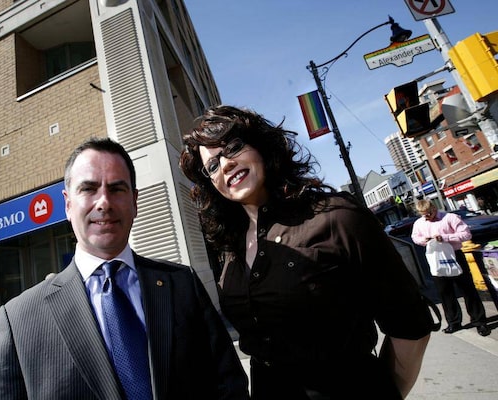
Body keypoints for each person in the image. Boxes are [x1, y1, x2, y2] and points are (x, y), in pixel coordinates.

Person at [179, 105, 435, 399]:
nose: (225, 165)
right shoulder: (230, 247)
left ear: (261, 146)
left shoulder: (338, 216)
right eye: (212, 166)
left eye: (233, 147)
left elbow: (410, 326)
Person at [0, 138, 249, 399]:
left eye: (117, 189)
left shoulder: (182, 284)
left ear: (135, 202)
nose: (104, 202)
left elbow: (229, 384)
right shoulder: (19, 318)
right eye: (88, 189)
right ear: (68, 204)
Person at [411, 199, 491, 337]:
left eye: (429, 213)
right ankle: (453, 322)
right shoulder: (419, 223)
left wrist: (445, 237)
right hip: (436, 258)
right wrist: (424, 240)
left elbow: (466, 234)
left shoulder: (450, 218)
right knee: (444, 292)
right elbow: (415, 237)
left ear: (434, 208)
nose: (427, 217)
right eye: (423, 215)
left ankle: (479, 321)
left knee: (467, 289)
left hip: (455, 255)